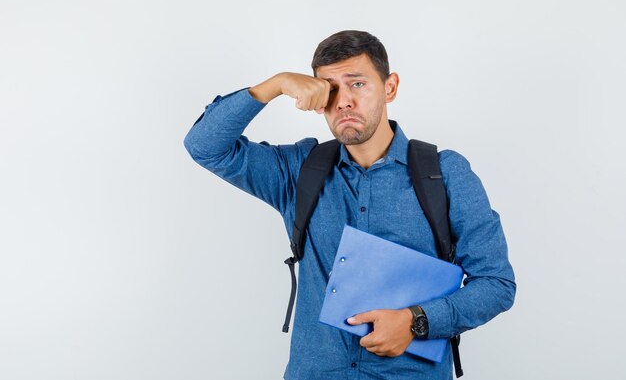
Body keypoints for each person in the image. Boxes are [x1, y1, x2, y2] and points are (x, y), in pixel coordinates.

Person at [183, 30, 516, 380]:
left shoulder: (445, 173)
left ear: (390, 88)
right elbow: (205, 146)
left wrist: (415, 320)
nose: (342, 101)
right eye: (330, 88)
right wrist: (274, 85)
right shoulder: (298, 170)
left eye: (357, 84)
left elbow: (496, 283)